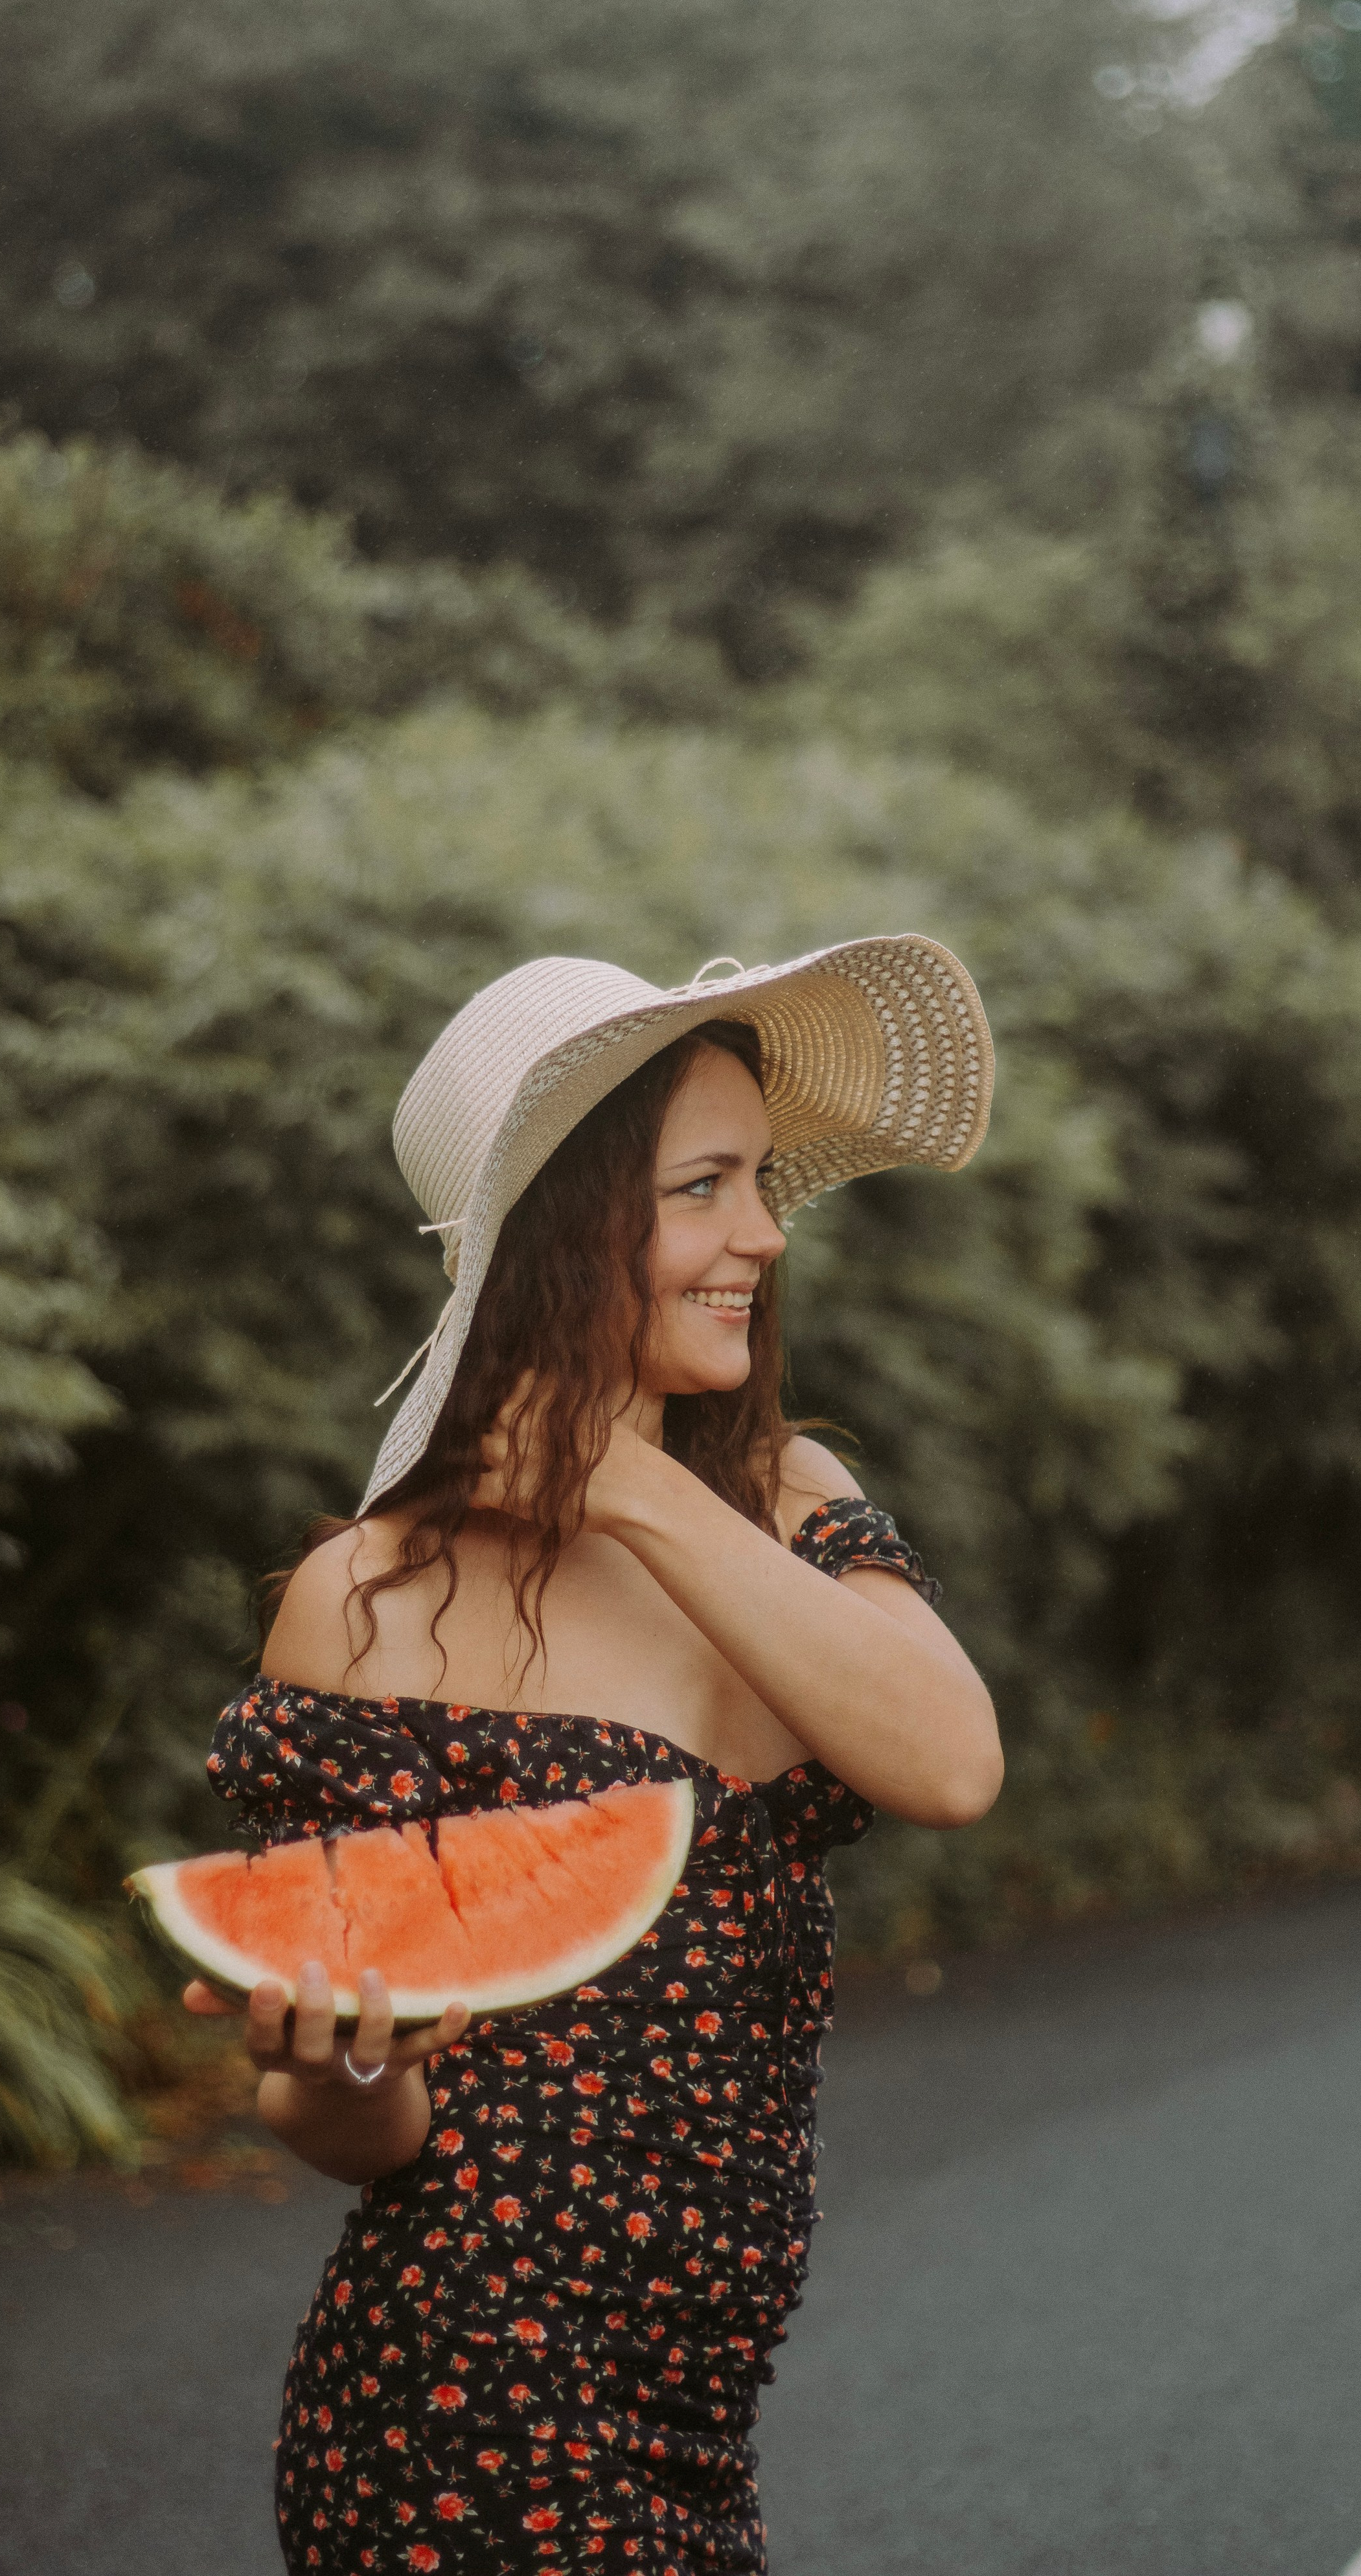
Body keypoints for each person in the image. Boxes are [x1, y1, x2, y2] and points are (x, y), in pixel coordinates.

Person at [187, 939, 1004, 2576]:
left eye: (762, 1181)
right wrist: (351, 2055)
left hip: (700, 2416)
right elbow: (349, 2124)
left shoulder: (785, 1500)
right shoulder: (373, 1599)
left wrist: (627, 1486)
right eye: (706, 1187)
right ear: (568, 1230)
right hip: (457, 2416)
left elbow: (950, 1761)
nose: (765, 1234)